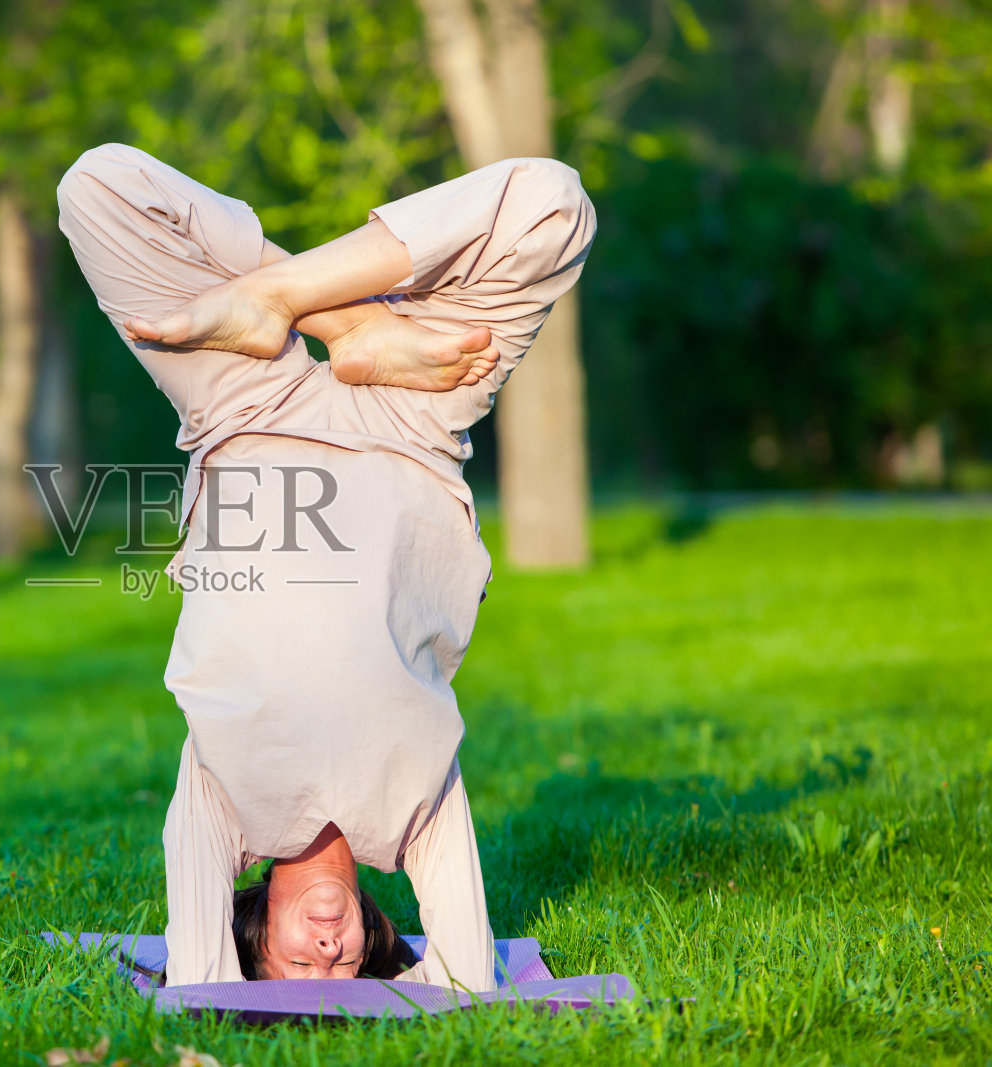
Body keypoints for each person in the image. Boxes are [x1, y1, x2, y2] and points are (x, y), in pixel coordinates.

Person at [55, 143, 595, 988]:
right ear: (378, 943)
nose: (324, 954)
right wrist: (361, 332)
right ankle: (339, 320)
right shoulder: (416, 818)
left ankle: (287, 302)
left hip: (241, 401)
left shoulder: (222, 807)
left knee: (100, 187)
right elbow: (464, 983)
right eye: (343, 975)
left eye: (290, 970)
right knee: (551, 203)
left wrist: (284, 307)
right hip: (415, 413)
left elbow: (200, 993)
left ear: (254, 927)